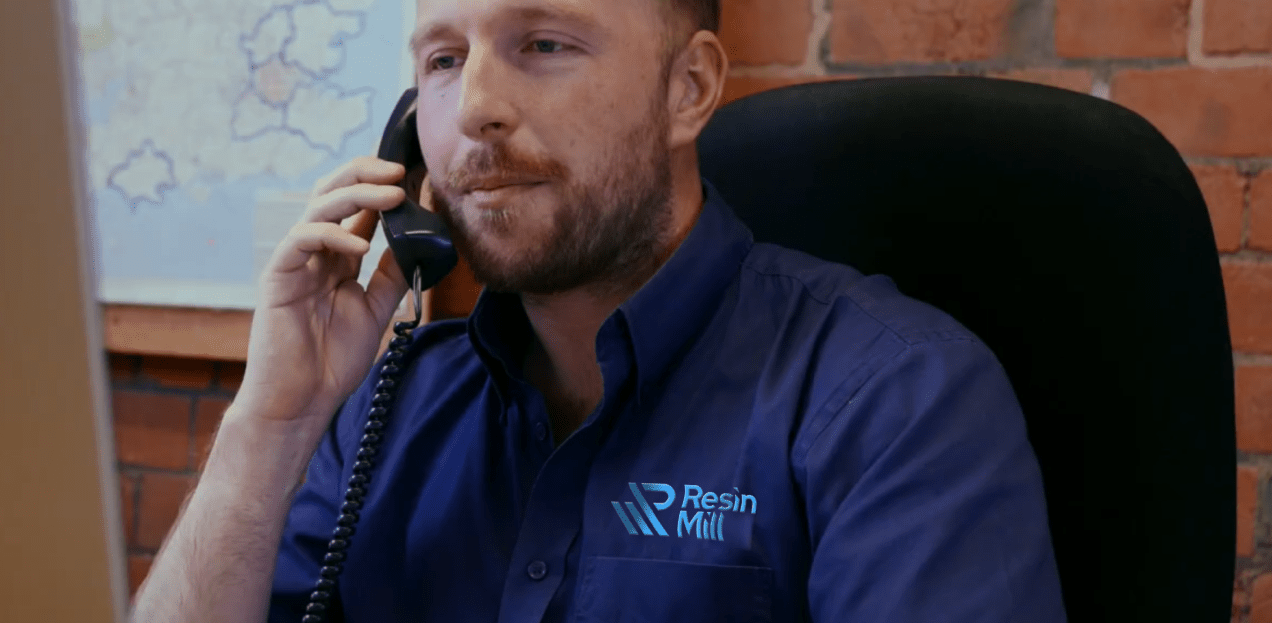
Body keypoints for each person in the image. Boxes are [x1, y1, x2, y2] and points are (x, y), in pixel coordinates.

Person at [131, 0, 1065, 621]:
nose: (477, 107)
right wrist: (271, 424)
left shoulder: (894, 400)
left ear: (689, 89)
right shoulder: (394, 404)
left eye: (544, 44)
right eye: (445, 60)